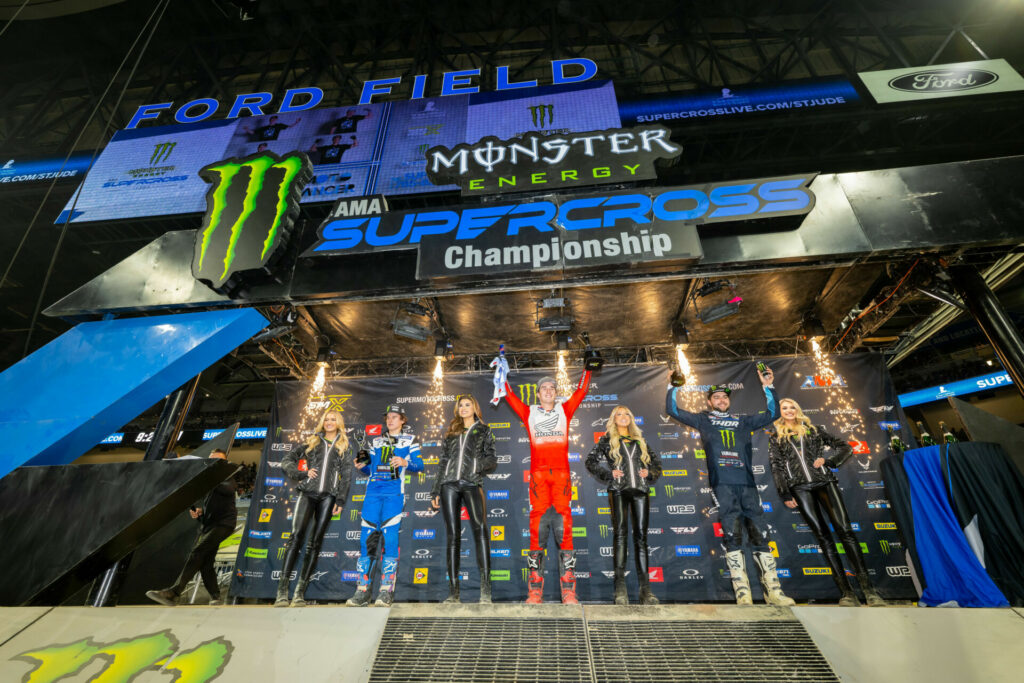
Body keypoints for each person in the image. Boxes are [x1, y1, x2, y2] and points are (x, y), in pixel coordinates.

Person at [664, 364, 795, 606]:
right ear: (710, 401)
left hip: (747, 485)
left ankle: (774, 591)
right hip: (722, 486)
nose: (722, 399)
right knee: (732, 536)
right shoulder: (703, 420)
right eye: (716, 397)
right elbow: (672, 409)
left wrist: (769, 386)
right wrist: (673, 386)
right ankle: (742, 592)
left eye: (725, 396)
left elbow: (773, 414)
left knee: (760, 535)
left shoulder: (743, 421)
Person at [768, 398, 887, 607]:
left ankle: (869, 591)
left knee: (846, 531)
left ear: (798, 409)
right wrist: (785, 494)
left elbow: (846, 447)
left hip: (825, 482)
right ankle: (847, 593)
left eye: (792, 407)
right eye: (784, 408)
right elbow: (776, 467)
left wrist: (830, 461)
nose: (789, 410)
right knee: (823, 538)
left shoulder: (814, 430)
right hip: (799, 488)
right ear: (779, 412)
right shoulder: (776, 437)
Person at [504, 368, 592, 604]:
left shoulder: (565, 409)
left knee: (566, 534)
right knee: (537, 533)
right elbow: (509, 395)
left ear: (555, 393)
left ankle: (569, 592)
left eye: (552, 387)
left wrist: (587, 369)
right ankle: (534, 592)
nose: (549, 390)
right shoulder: (529, 412)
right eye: (544, 387)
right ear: (538, 393)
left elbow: (582, 390)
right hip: (539, 479)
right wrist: (501, 375)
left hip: (562, 477)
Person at [274, 410, 353, 607]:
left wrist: (340, 501)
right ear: (322, 423)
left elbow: (347, 476)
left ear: (339, 423)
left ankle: (300, 592)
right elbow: (286, 461)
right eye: (326, 419)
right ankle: (282, 592)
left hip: (328, 497)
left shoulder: (344, 446)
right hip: (307, 494)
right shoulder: (313, 442)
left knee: (314, 544)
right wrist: (302, 474)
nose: (329, 422)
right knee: (296, 537)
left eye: (333, 419)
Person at [347, 404, 424, 607]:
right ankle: (362, 592)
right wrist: (361, 466)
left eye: (395, 417)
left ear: (402, 420)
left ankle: (385, 592)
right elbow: (370, 469)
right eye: (388, 417)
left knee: (390, 541)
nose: (390, 420)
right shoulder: (376, 441)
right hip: (372, 495)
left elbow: (420, 464)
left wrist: (405, 462)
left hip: (393, 496)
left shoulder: (410, 441)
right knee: (367, 542)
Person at [586, 405, 663, 605]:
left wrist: (650, 473)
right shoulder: (606, 439)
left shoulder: (640, 439)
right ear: (613, 419)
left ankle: (646, 591)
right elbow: (590, 461)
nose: (623, 417)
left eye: (626, 414)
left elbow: (657, 463)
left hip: (641, 492)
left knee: (641, 539)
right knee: (620, 536)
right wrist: (607, 473)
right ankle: (620, 590)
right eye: (618, 414)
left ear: (631, 418)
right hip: (618, 490)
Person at [146, 449, 236, 606]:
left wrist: (208, 477)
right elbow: (211, 504)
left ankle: (174, 592)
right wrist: (200, 512)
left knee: (197, 552)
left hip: (224, 524)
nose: (213, 463)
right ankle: (215, 596)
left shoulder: (226, 476)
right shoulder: (208, 482)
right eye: (211, 459)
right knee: (206, 561)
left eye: (217, 460)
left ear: (224, 462)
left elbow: (228, 489)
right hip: (210, 525)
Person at [430, 395, 497, 604]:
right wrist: (434, 491)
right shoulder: (451, 433)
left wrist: (477, 466)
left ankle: (486, 592)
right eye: (461, 405)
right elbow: (443, 462)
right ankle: (453, 593)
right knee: (452, 536)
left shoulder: (484, 430)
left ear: (475, 408)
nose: (464, 408)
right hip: (448, 485)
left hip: (471, 483)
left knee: (480, 530)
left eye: (468, 405)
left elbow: (492, 459)